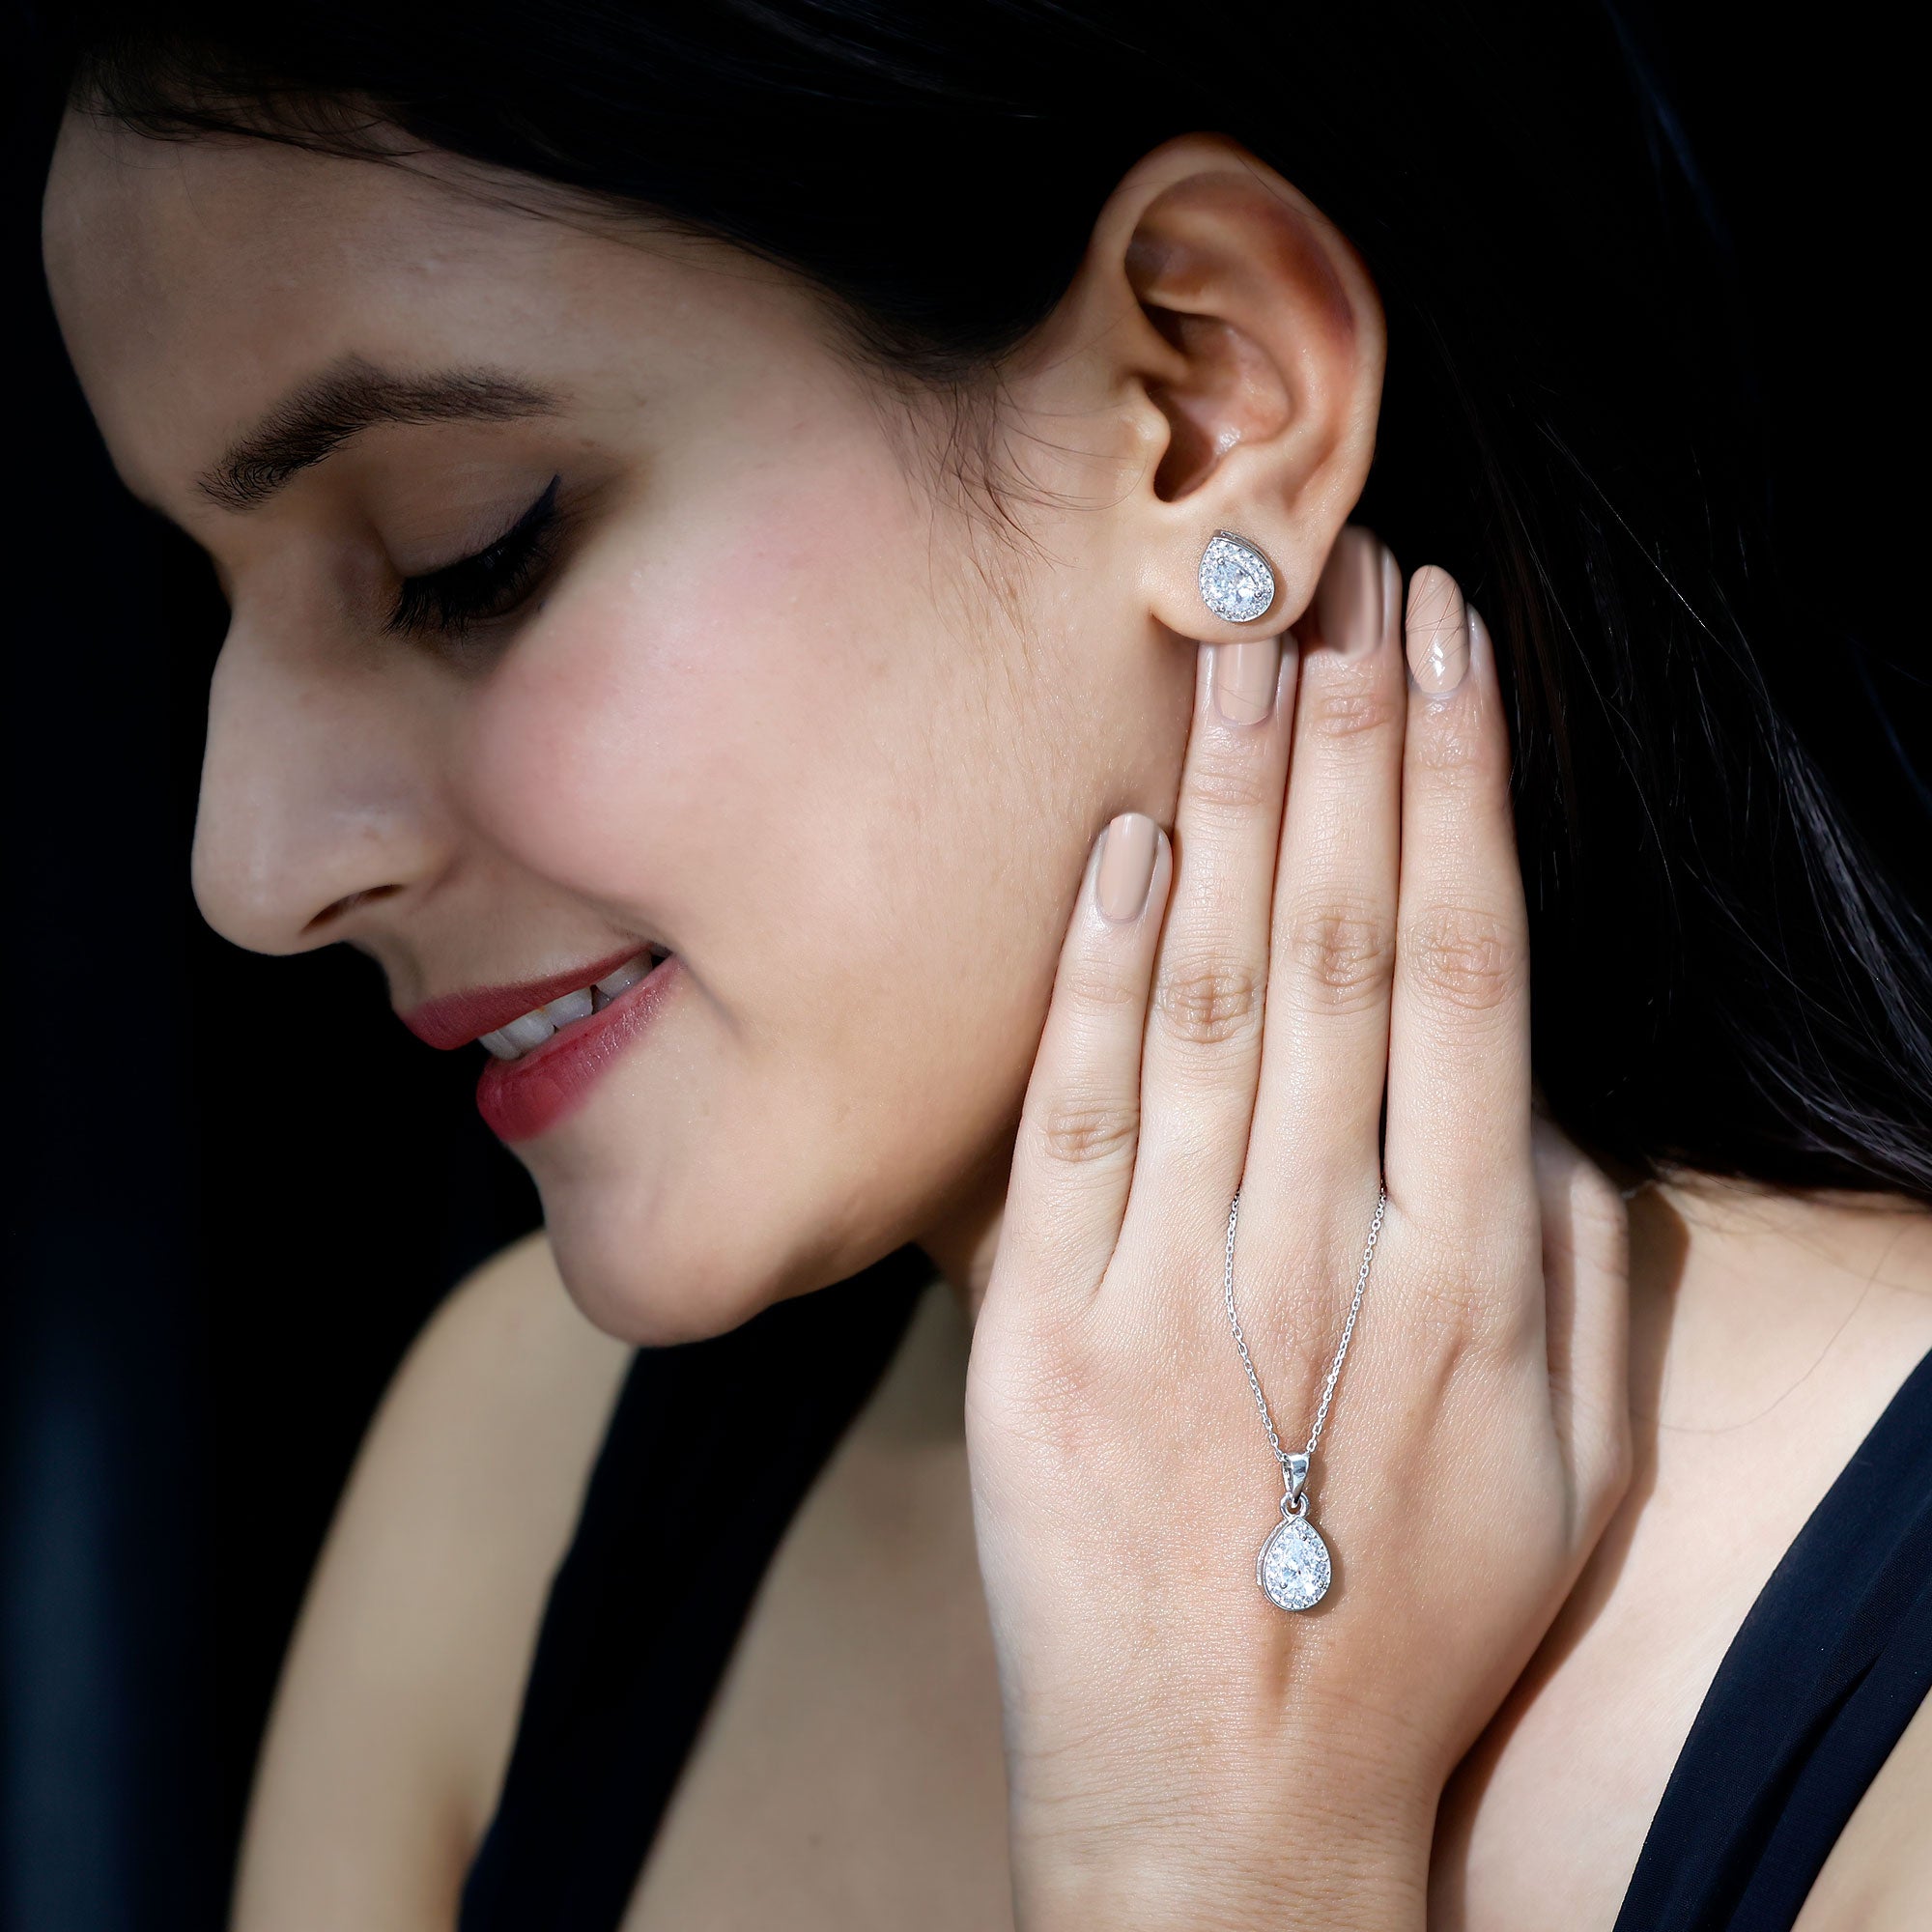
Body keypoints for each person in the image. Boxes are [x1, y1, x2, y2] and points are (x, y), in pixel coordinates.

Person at [40, 4, 1932, 1926]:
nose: (251, 867)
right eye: (217, 594)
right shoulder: (501, 1477)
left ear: (1202, 398)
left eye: (468, 552)